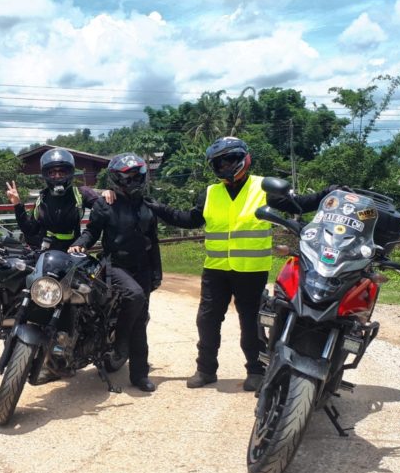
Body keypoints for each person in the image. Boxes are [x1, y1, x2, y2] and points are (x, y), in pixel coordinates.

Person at [145, 136, 273, 391]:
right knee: (207, 320)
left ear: (243, 158)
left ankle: (256, 371)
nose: (225, 166)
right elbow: (190, 219)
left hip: (252, 271)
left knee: (251, 323)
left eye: (230, 160)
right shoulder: (211, 192)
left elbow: (298, 204)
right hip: (216, 269)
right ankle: (205, 369)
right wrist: (157, 208)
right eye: (219, 162)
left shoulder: (264, 187)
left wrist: (328, 195)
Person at [69, 152, 162, 393]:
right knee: (135, 296)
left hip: (142, 267)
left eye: (134, 176)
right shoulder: (105, 203)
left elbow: (153, 240)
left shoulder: (147, 205)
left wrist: (156, 273)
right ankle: (121, 344)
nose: (130, 182)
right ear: (114, 179)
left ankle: (139, 375)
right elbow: (92, 231)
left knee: (141, 320)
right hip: (114, 266)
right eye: (124, 178)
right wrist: (80, 243)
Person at [6, 148, 110, 252]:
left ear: (69, 172)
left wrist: (108, 193)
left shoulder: (80, 193)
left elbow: (105, 210)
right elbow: (30, 229)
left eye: (62, 172)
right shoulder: (42, 198)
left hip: (73, 252)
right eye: (52, 173)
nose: (57, 176)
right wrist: (17, 204)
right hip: (46, 255)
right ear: (46, 174)